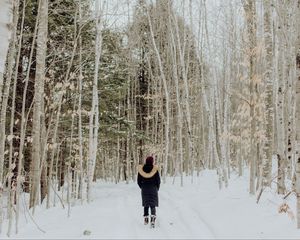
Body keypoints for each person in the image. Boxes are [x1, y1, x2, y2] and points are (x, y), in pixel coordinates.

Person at [137, 156, 161, 227]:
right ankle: (153, 219)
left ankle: (146, 219)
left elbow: (138, 181)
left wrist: (142, 187)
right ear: (152, 161)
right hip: (153, 188)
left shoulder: (141, 170)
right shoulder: (155, 170)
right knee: (152, 204)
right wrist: (157, 188)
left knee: (146, 204)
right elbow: (158, 180)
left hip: (144, 188)